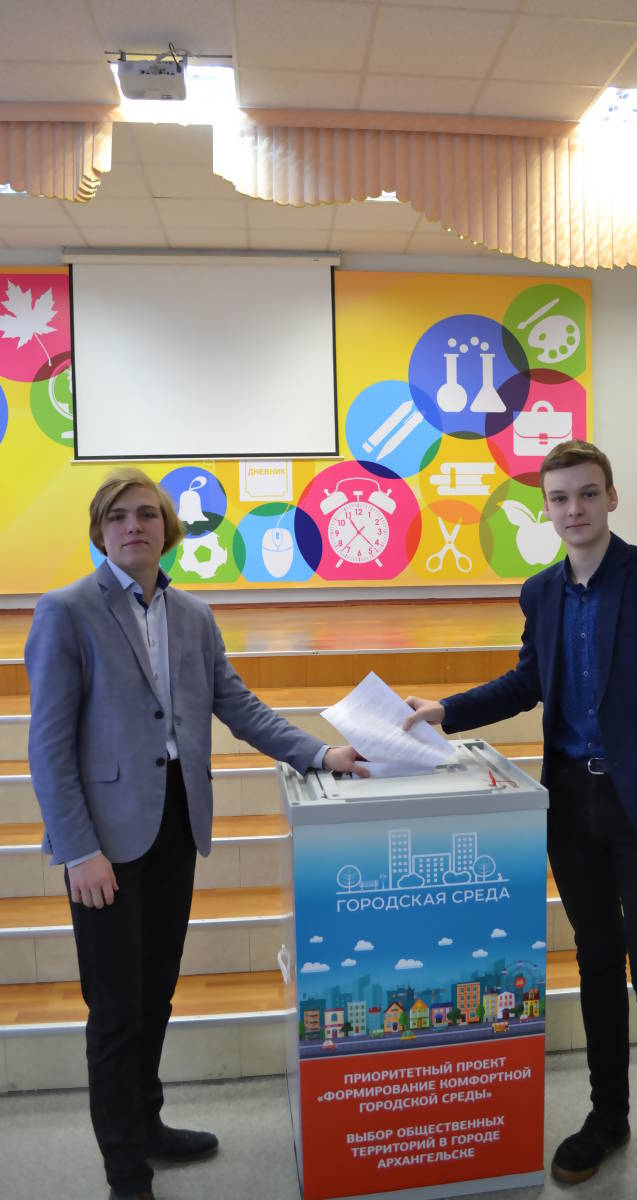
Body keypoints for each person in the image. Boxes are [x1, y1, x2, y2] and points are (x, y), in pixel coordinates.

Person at [404, 440, 637, 1200]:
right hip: (572, 807)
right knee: (598, 966)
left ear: (611, 498)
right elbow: (529, 682)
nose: (573, 509)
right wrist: (444, 710)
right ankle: (608, 1119)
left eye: (587, 494)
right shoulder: (541, 592)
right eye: (559, 498)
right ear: (545, 508)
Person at [25, 468, 366, 1200]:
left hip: (177, 824)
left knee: (155, 994)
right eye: (118, 516)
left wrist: (320, 753)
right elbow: (48, 746)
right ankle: (126, 1171)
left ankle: (147, 1125)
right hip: (104, 844)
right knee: (115, 1011)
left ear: (168, 529)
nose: (134, 525)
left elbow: (239, 706)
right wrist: (78, 850)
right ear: (100, 531)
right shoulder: (66, 611)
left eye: (147, 514)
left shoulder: (194, 616)